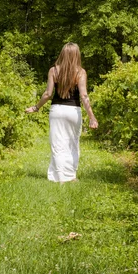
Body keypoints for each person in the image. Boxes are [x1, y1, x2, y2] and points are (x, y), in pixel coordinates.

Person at [25, 42, 98, 183]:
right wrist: (92, 117)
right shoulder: (81, 72)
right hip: (73, 112)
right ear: (77, 54)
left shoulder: (53, 70)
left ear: (62, 54)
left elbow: (47, 94)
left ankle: (59, 177)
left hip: (57, 111)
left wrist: (36, 107)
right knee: (72, 144)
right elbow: (84, 96)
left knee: (58, 144)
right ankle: (71, 176)